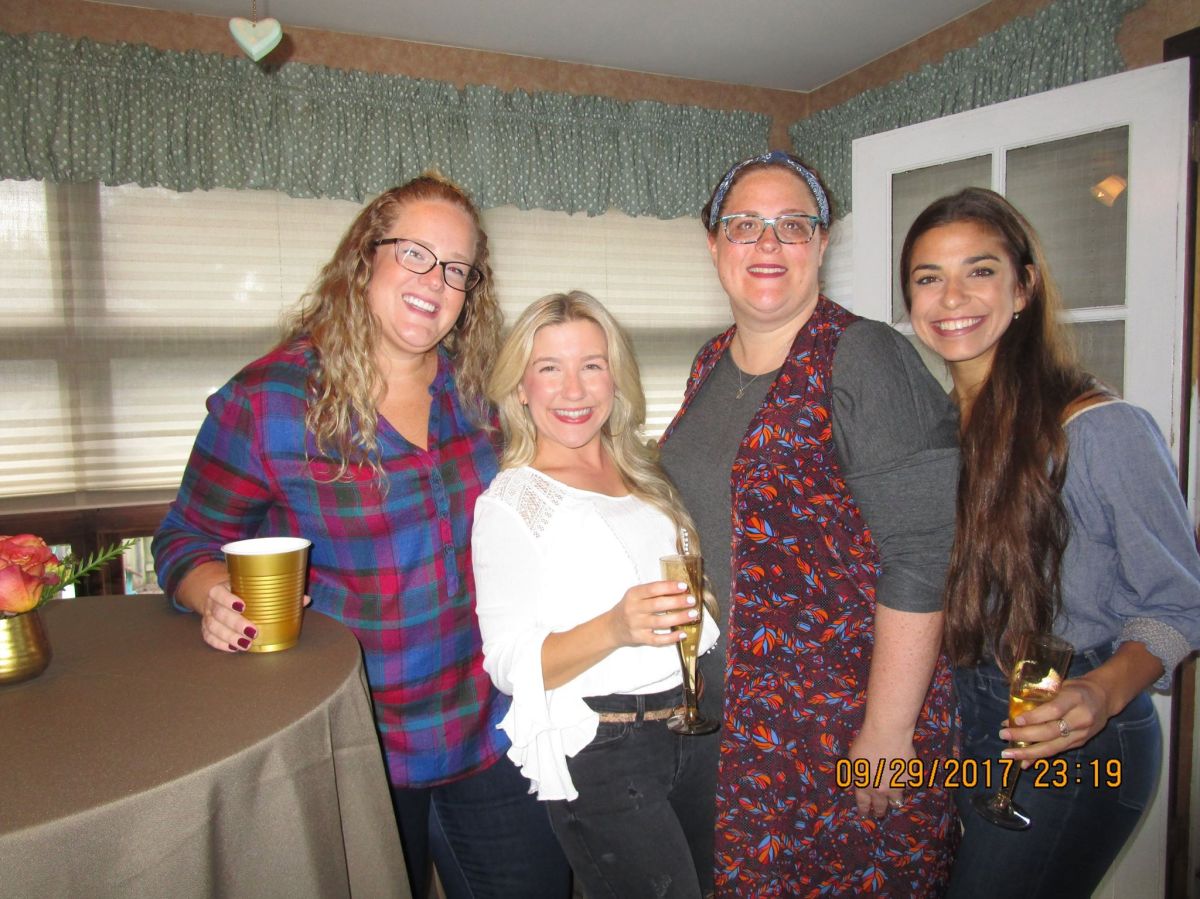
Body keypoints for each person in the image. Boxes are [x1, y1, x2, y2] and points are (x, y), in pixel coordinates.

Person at [152, 175, 571, 899]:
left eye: (457, 268)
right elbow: (185, 535)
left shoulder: (484, 392)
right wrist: (211, 590)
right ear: (364, 257)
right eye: (414, 253)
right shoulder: (270, 401)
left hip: (489, 725)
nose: (435, 281)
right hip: (353, 743)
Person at [658, 150, 961, 896]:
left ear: (822, 243)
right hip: (730, 723)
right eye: (745, 225)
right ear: (714, 244)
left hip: (838, 726)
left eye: (793, 225)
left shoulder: (864, 356)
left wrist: (888, 731)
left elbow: (924, 552)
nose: (768, 243)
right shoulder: (709, 361)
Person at [901, 186, 1200, 898]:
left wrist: (1100, 691)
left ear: (1024, 287)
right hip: (969, 719)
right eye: (928, 277)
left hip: (1076, 737)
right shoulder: (933, 432)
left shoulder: (1099, 428)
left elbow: (1180, 602)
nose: (952, 297)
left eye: (979, 270)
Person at [471, 291, 721, 898]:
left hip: (694, 725)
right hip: (606, 749)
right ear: (521, 388)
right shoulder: (513, 502)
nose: (574, 390)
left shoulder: (644, 472)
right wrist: (614, 627)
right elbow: (507, 665)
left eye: (591, 365)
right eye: (549, 368)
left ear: (615, 376)